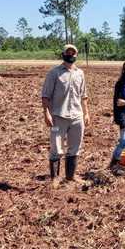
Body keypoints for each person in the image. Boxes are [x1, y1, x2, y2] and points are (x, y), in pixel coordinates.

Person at [41, 44, 90, 187]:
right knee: (56, 148)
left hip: (77, 117)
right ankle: (55, 179)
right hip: (58, 117)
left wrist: (86, 113)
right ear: (63, 54)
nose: (70, 55)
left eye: (73, 53)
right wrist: (46, 113)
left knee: (75, 147)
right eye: (68, 52)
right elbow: (45, 96)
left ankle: (70, 176)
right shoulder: (54, 73)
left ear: (76, 55)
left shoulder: (80, 73)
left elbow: (84, 96)